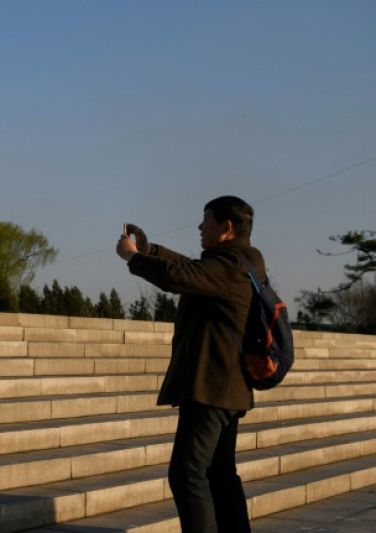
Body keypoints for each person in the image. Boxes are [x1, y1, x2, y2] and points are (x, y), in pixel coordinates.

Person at [116, 196, 261, 533]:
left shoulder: (232, 264)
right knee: (218, 473)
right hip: (224, 386)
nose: (199, 226)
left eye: (205, 219)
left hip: (213, 386)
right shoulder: (237, 262)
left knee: (187, 474)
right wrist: (151, 251)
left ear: (226, 227)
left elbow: (178, 277)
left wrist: (133, 257)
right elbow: (191, 271)